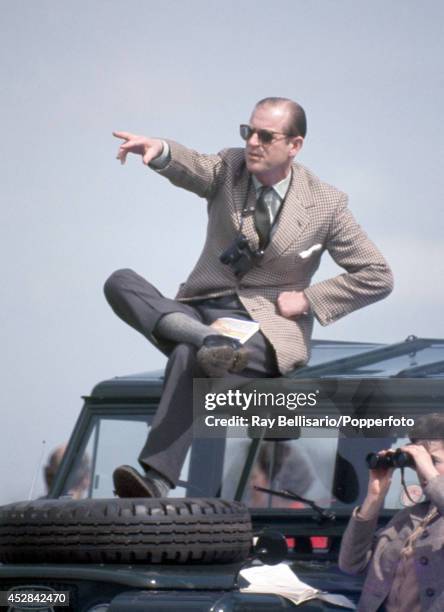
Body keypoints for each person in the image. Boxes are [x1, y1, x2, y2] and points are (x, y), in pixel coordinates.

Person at [104, 97, 393, 498]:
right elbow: (194, 167)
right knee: (121, 281)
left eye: (265, 135)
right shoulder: (230, 167)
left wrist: (309, 299)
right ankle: (206, 339)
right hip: (198, 312)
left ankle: (156, 480)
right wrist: (160, 152)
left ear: (295, 145)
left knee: (190, 358)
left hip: (264, 330)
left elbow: (377, 274)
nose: (252, 142)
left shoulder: (326, 204)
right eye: (248, 132)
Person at [339, 413, 444, 611]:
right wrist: (373, 498)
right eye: (417, 463)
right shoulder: (409, 516)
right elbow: (350, 564)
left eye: (433, 461)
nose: (422, 469)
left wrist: (431, 475)